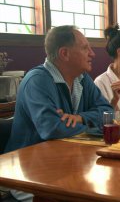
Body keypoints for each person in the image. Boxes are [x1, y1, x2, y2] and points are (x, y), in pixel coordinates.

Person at [4, 25, 113, 201]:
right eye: (85, 48)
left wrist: (80, 118)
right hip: (29, 176)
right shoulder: (37, 81)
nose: (92, 53)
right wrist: (96, 127)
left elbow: (108, 112)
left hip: (69, 165)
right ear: (64, 53)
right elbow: (52, 129)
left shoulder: (82, 79)